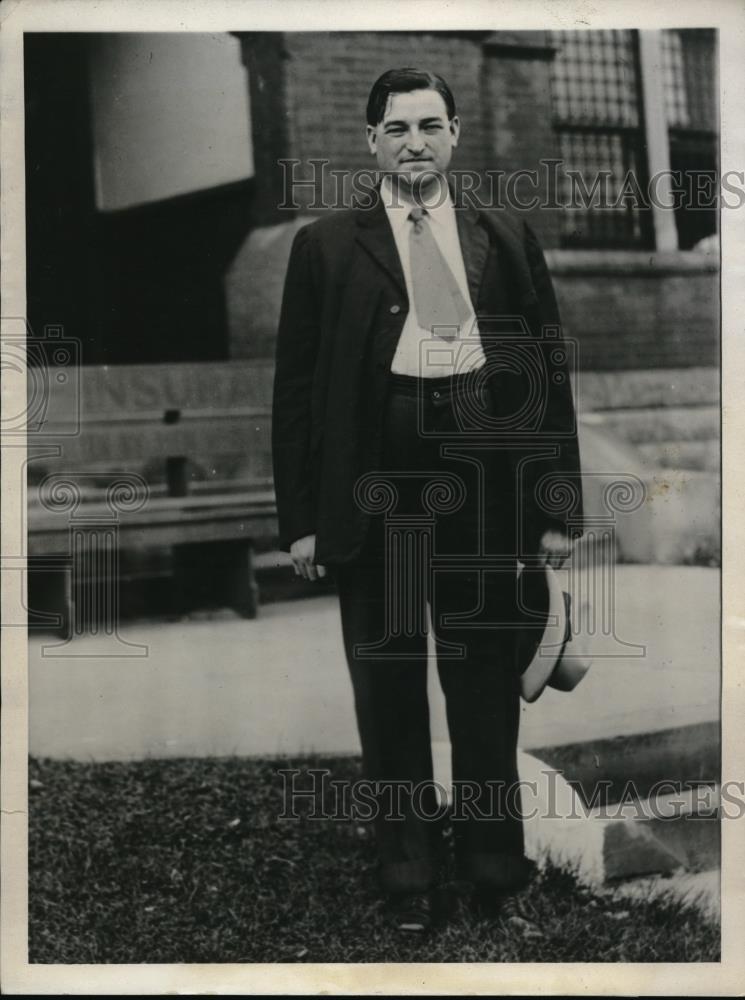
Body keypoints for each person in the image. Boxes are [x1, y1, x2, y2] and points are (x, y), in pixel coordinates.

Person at [272, 68, 583, 932]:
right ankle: (408, 872)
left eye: (430, 125)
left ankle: (491, 867)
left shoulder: (504, 234)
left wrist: (558, 507)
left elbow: (545, 378)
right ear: (371, 140)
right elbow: (294, 390)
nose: (415, 141)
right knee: (387, 673)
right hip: (377, 473)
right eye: (397, 127)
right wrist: (299, 518)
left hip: (483, 471)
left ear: (455, 135)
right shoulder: (328, 246)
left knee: (481, 672)